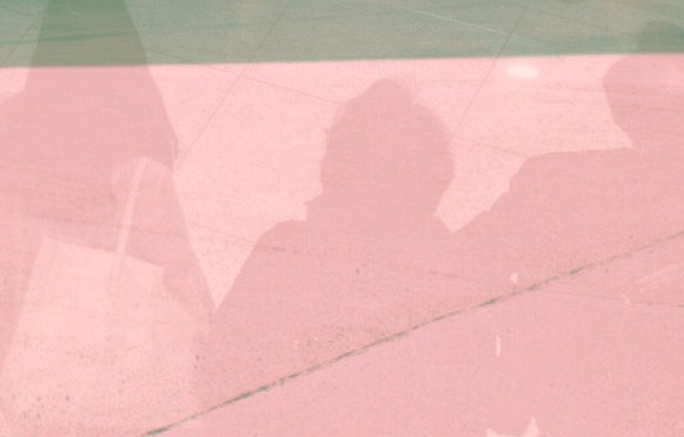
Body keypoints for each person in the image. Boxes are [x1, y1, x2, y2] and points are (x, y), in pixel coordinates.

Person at [462, 22, 684, 436]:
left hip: (553, 415)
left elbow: (459, 274)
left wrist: (498, 394)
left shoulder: (552, 180)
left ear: (619, 105)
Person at [0, 0, 212, 436]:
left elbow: (0, 247)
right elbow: (180, 276)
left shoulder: (0, 131)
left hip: (25, 360)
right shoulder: (139, 167)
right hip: (113, 373)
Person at [198, 80, 491, 435]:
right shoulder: (455, 269)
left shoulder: (286, 253)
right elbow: (470, 406)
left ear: (335, 168)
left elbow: (223, 382)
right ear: (434, 179)